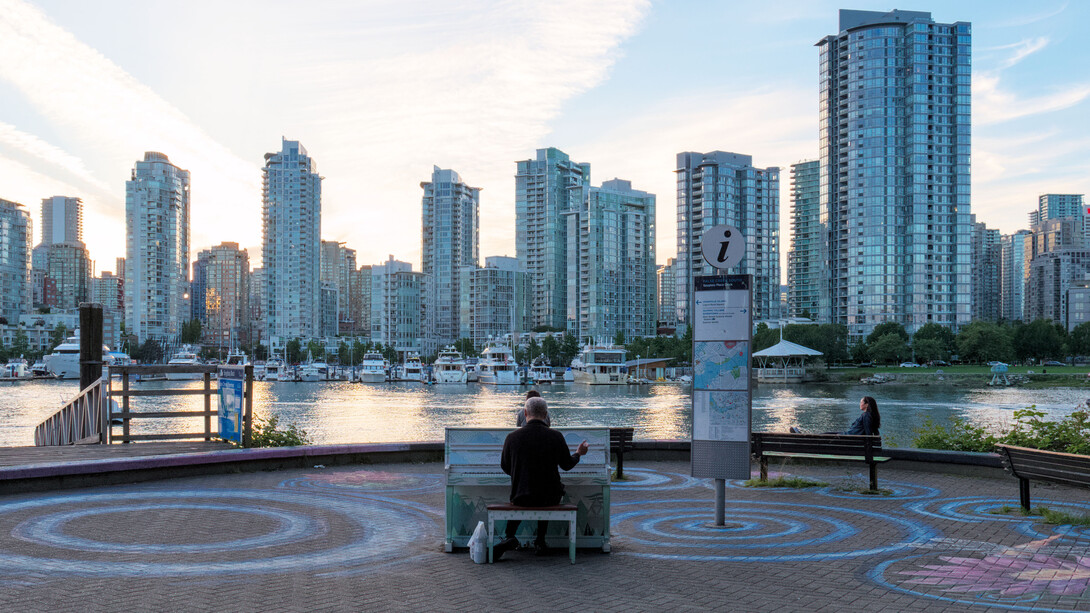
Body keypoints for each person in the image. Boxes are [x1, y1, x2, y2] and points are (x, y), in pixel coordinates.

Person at [493, 396, 588, 559]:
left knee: (523, 494)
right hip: (549, 498)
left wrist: (520, 475)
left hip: (521, 496)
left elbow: (504, 466)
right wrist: (579, 454)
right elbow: (566, 465)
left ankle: (509, 537)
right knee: (547, 490)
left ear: (525, 413)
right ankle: (540, 541)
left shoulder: (512, 437)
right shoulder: (556, 436)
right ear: (545, 414)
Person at [789, 396, 881, 436]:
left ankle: (801, 436)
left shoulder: (866, 416)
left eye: (861, 402)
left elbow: (868, 434)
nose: (859, 403)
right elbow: (873, 432)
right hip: (849, 436)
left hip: (848, 437)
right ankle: (801, 435)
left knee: (824, 435)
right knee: (825, 434)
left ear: (866, 404)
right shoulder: (869, 415)